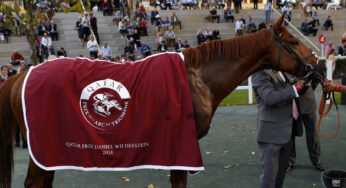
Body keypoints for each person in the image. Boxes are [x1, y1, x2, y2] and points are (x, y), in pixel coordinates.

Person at [252, 69, 305, 188]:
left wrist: (304, 82)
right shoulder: (259, 72)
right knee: (269, 177)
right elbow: (269, 98)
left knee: (280, 176)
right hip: (270, 134)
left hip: (286, 131)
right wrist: (296, 87)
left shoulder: (283, 71)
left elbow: (294, 93)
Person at [288, 82, 327, 172]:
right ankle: (289, 161)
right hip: (289, 101)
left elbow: (317, 75)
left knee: (312, 133)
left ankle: (316, 159)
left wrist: (307, 87)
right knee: (289, 133)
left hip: (307, 100)